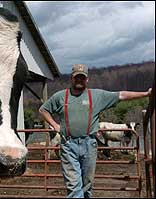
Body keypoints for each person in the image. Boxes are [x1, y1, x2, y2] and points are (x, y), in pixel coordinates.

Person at [38, 64, 152, 198]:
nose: (79, 80)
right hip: (68, 145)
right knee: (74, 186)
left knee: (87, 185)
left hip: (89, 144)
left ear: (87, 80)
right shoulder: (61, 96)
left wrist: (146, 94)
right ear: (71, 79)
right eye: (77, 78)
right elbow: (43, 110)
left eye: (82, 78)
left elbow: (121, 95)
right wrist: (55, 125)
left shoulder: (97, 96)